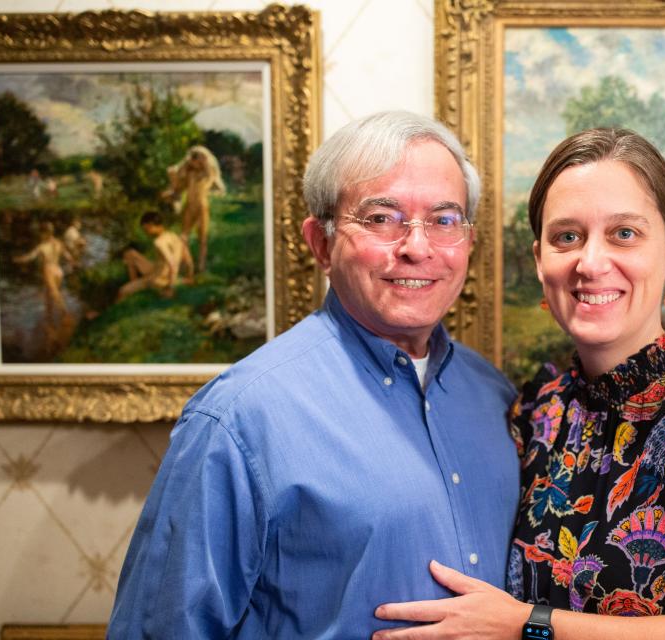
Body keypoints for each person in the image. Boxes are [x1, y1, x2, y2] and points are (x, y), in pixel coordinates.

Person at [373, 128, 665, 639]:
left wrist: (525, 626)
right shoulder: (539, 406)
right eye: (567, 237)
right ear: (539, 260)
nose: (591, 262)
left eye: (624, 233)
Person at [107, 111, 520, 638]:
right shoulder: (238, 419)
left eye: (444, 220)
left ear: (467, 241)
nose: (418, 248)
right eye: (381, 218)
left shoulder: (494, 395)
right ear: (320, 244)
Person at [163, 144, 226, 273]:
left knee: (202, 238)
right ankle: (185, 263)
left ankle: (201, 265)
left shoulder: (208, 173)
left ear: (201, 160)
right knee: (183, 235)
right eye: (191, 162)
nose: (192, 164)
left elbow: (219, 188)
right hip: (189, 206)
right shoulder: (189, 173)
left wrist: (209, 192)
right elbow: (178, 186)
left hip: (202, 207)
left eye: (195, 161)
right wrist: (173, 186)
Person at [117, 211, 194, 301]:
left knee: (122, 291)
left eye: (146, 230)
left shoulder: (159, 242)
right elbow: (188, 261)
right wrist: (190, 276)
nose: (146, 233)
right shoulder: (174, 236)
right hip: (157, 269)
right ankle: (135, 286)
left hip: (158, 278)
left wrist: (170, 288)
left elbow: (173, 264)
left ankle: (134, 289)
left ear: (150, 225)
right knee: (129, 253)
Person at [13, 221, 72, 325]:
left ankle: (65, 314)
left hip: (49, 270)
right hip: (58, 271)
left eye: (41, 233)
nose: (40, 236)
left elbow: (29, 257)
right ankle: (49, 320)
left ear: (44, 233)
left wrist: (18, 259)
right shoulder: (59, 243)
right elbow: (68, 256)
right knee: (48, 297)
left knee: (54, 294)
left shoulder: (42, 246)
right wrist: (72, 263)